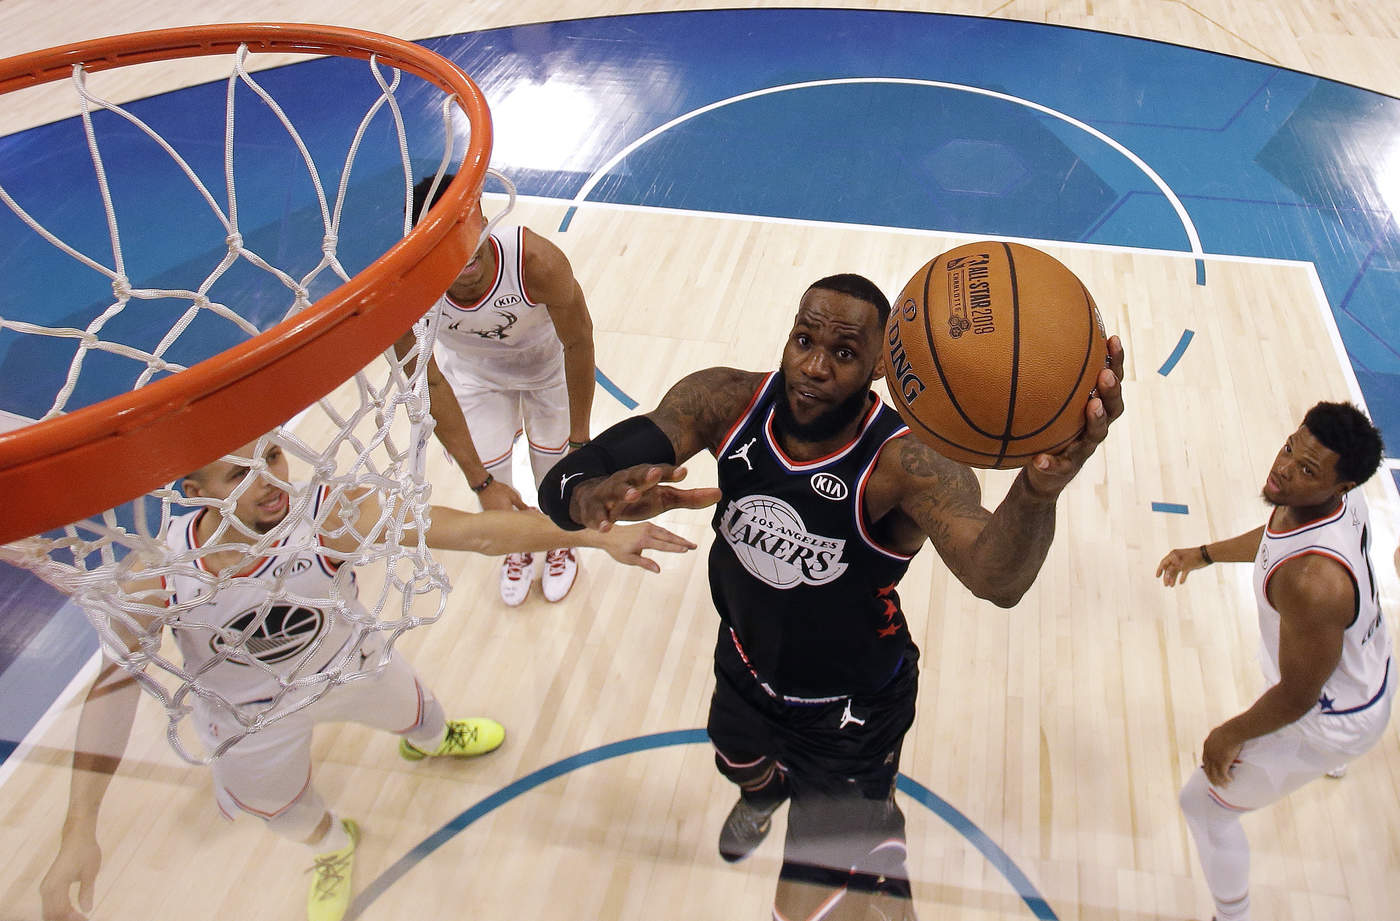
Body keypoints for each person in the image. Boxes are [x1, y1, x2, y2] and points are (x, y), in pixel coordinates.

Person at [539, 273, 1124, 921]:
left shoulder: (909, 463)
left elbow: (997, 579)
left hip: (851, 711)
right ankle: (764, 795)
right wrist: (588, 498)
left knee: (803, 911)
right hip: (745, 661)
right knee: (737, 760)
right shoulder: (725, 400)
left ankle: (878, 850)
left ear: (879, 366)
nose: (815, 366)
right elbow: (565, 481)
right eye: (803, 340)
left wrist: (1039, 490)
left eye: (843, 352)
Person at [39, 437, 697, 921]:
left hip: (350, 665)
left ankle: (432, 742)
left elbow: (475, 533)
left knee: (422, 714)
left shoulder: (328, 514)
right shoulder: (158, 573)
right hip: (248, 716)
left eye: (273, 456)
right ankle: (332, 845)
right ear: (194, 491)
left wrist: (592, 538)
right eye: (240, 473)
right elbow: (113, 690)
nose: (270, 481)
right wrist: (78, 829)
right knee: (285, 814)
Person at [1156, 401, 1392, 921]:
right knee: (1298, 662)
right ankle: (1331, 761)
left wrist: (1228, 733)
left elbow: (1297, 695)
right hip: (1365, 664)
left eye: (1305, 469)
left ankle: (1232, 917)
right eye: (1289, 448)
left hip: (1331, 717)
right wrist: (1204, 554)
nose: (1283, 468)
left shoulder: (1312, 584)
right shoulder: (1332, 501)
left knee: (1203, 807)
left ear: (1341, 485)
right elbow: (1273, 540)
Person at [396, 174, 596, 608]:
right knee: (491, 474)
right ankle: (515, 542)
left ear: (484, 217)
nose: (465, 249)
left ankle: (560, 538)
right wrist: (480, 482)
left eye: (468, 227)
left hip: (549, 370)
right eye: (445, 239)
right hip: (474, 377)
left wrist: (581, 440)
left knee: (556, 472)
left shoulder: (535, 260)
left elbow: (579, 343)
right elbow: (428, 381)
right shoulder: (403, 287)